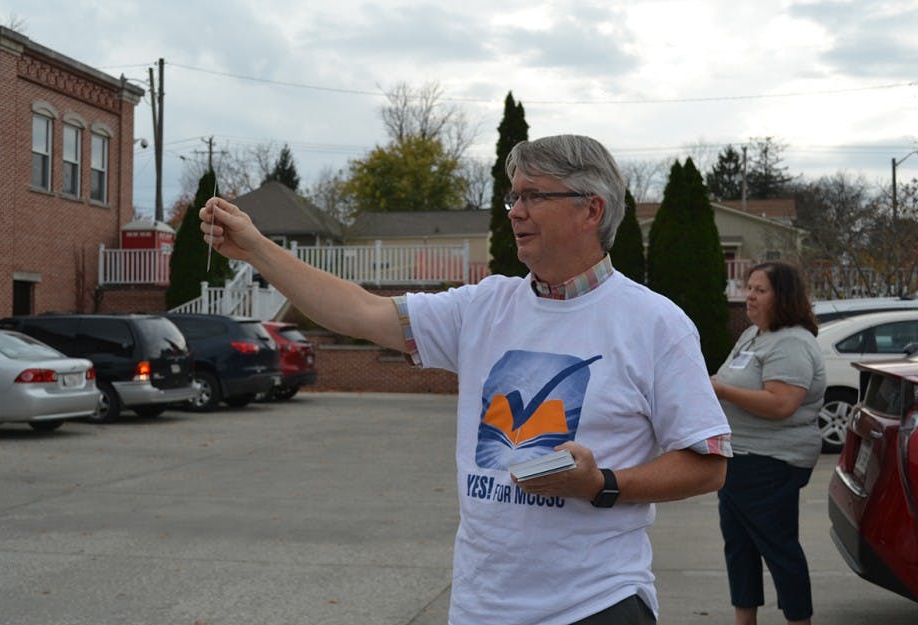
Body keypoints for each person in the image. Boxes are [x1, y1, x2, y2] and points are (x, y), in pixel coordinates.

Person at [201, 134, 731, 625]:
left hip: (595, 604)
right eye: (512, 198)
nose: (515, 212)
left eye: (532, 197)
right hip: (482, 607)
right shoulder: (484, 306)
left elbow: (706, 464)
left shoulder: (656, 324)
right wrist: (255, 248)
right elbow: (360, 311)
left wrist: (602, 484)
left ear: (590, 208)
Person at [710, 261, 825, 625]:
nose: (749, 296)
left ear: (783, 297)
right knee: (739, 548)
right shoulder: (754, 335)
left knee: (778, 549)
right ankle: (745, 619)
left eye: (760, 290)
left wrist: (722, 390)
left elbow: (781, 404)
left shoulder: (791, 342)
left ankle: (798, 619)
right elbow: (728, 377)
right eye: (749, 288)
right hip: (739, 459)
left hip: (771, 463)